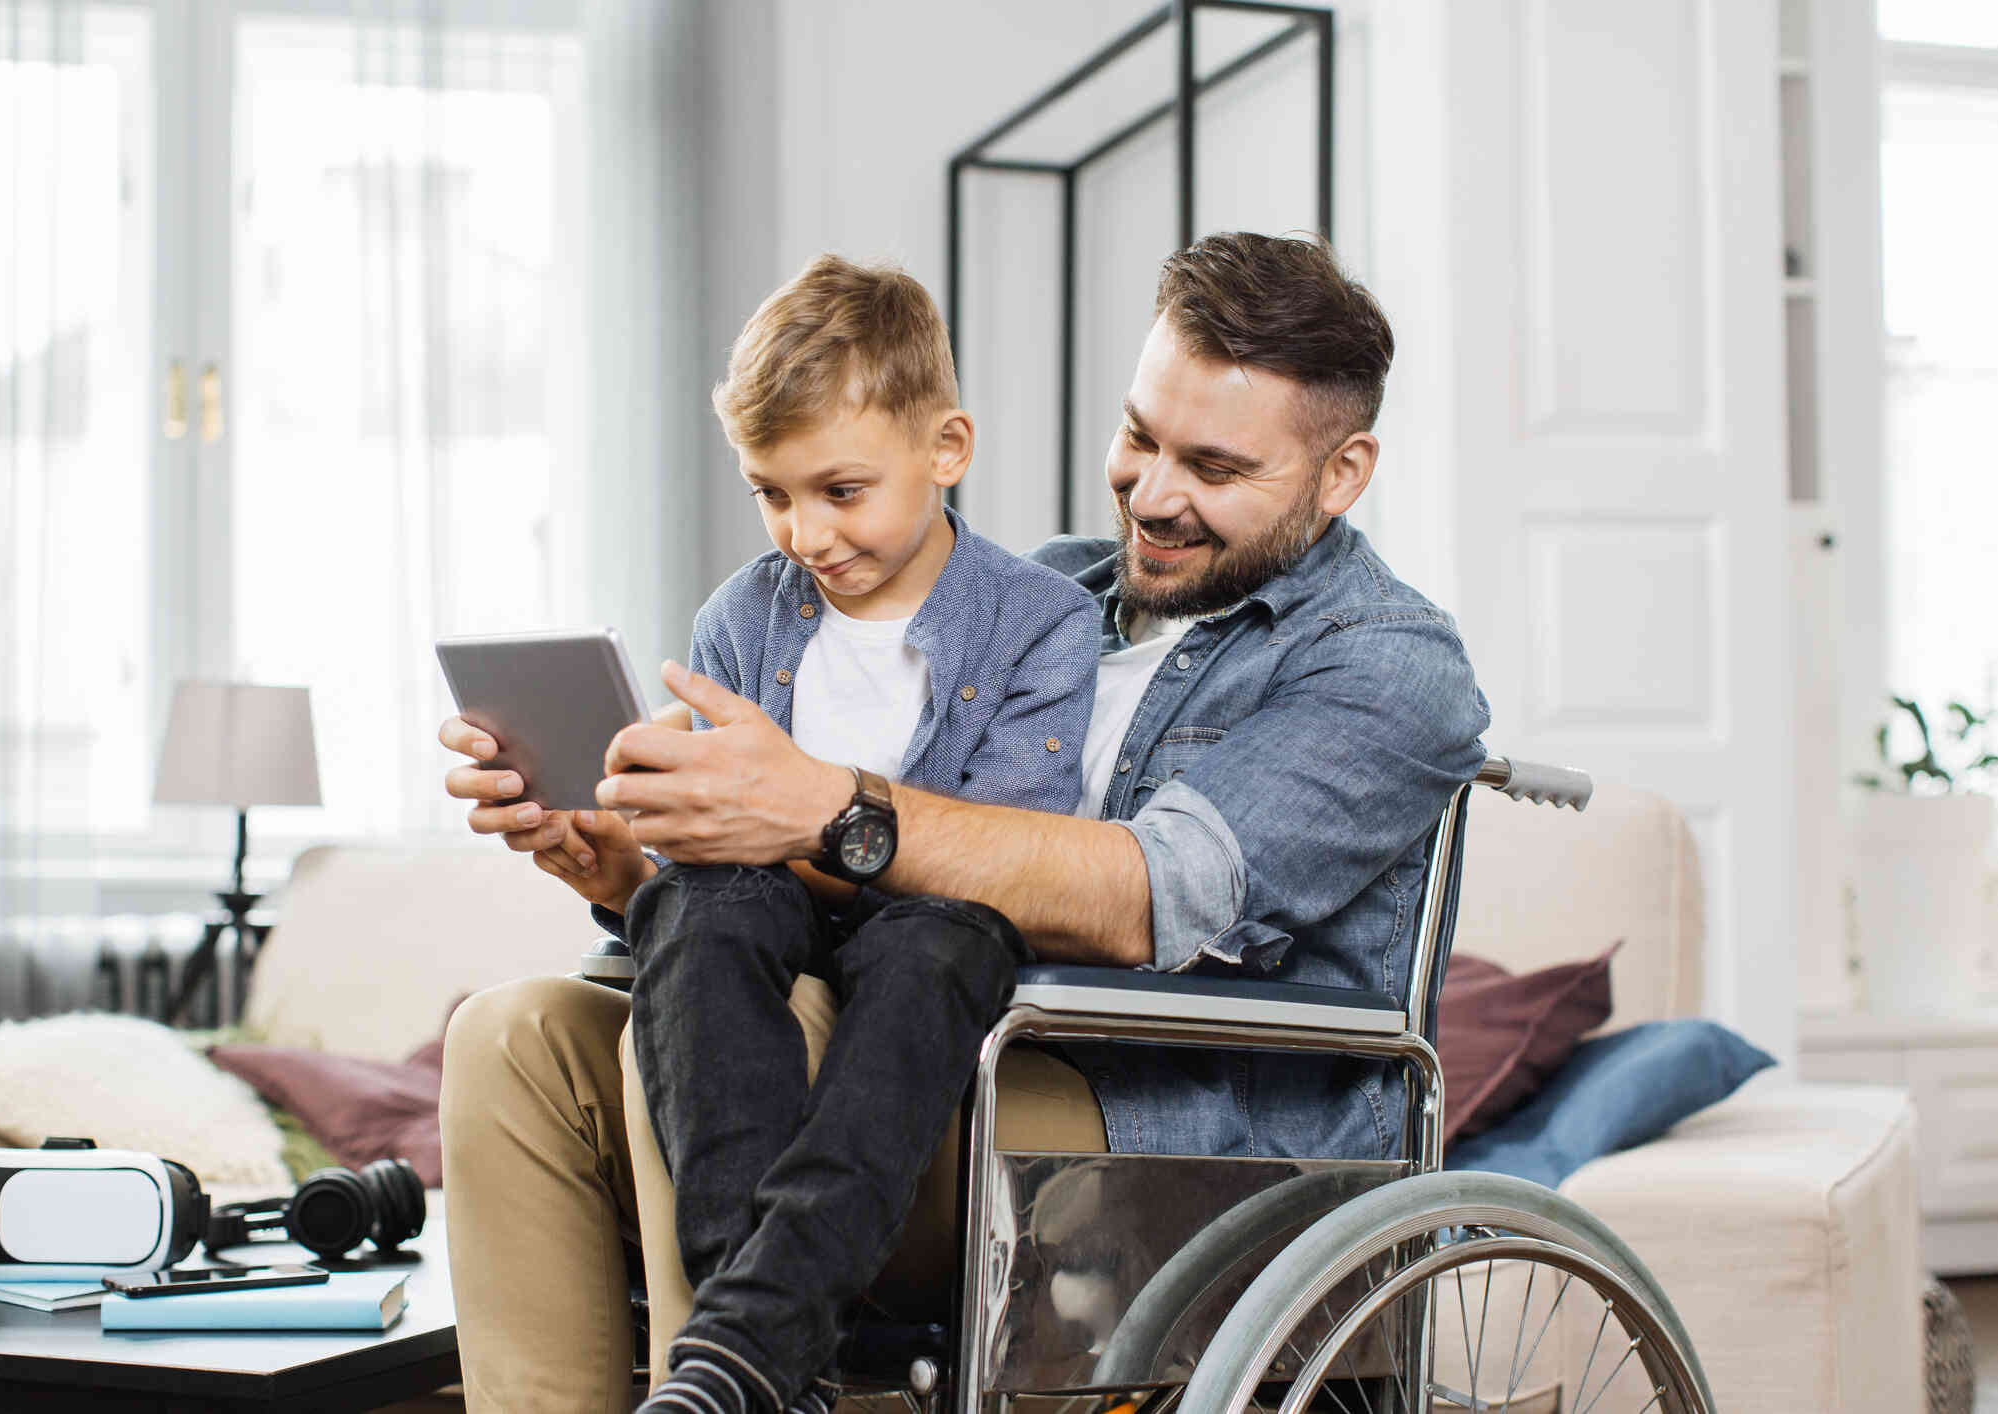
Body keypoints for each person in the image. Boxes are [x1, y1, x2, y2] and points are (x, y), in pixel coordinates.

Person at [436, 231, 1490, 1414]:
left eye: (1214, 465)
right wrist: (628, 861)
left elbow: (1147, 892)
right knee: (512, 1037)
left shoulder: (1390, 665)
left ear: (1342, 472)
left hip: (1140, 1120)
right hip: (931, 1044)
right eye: (1139, 436)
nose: (1151, 493)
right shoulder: (1047, 590)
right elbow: (805, 891)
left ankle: (738, 1372)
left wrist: (823, 808)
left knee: (779, 1022)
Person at [551, 252, 1099, 1414]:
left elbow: (1011, 852)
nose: (804, 531)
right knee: (698, 906)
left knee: (936, 940)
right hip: (774, 912)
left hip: (938, 927)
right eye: (771, 492)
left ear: (946, 450)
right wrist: (626, 856)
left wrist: (799, 815)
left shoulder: (1042, 620)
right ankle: (775, 1363)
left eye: (839, 491)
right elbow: (705, 848)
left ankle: (742, 1346)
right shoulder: (742, 614)